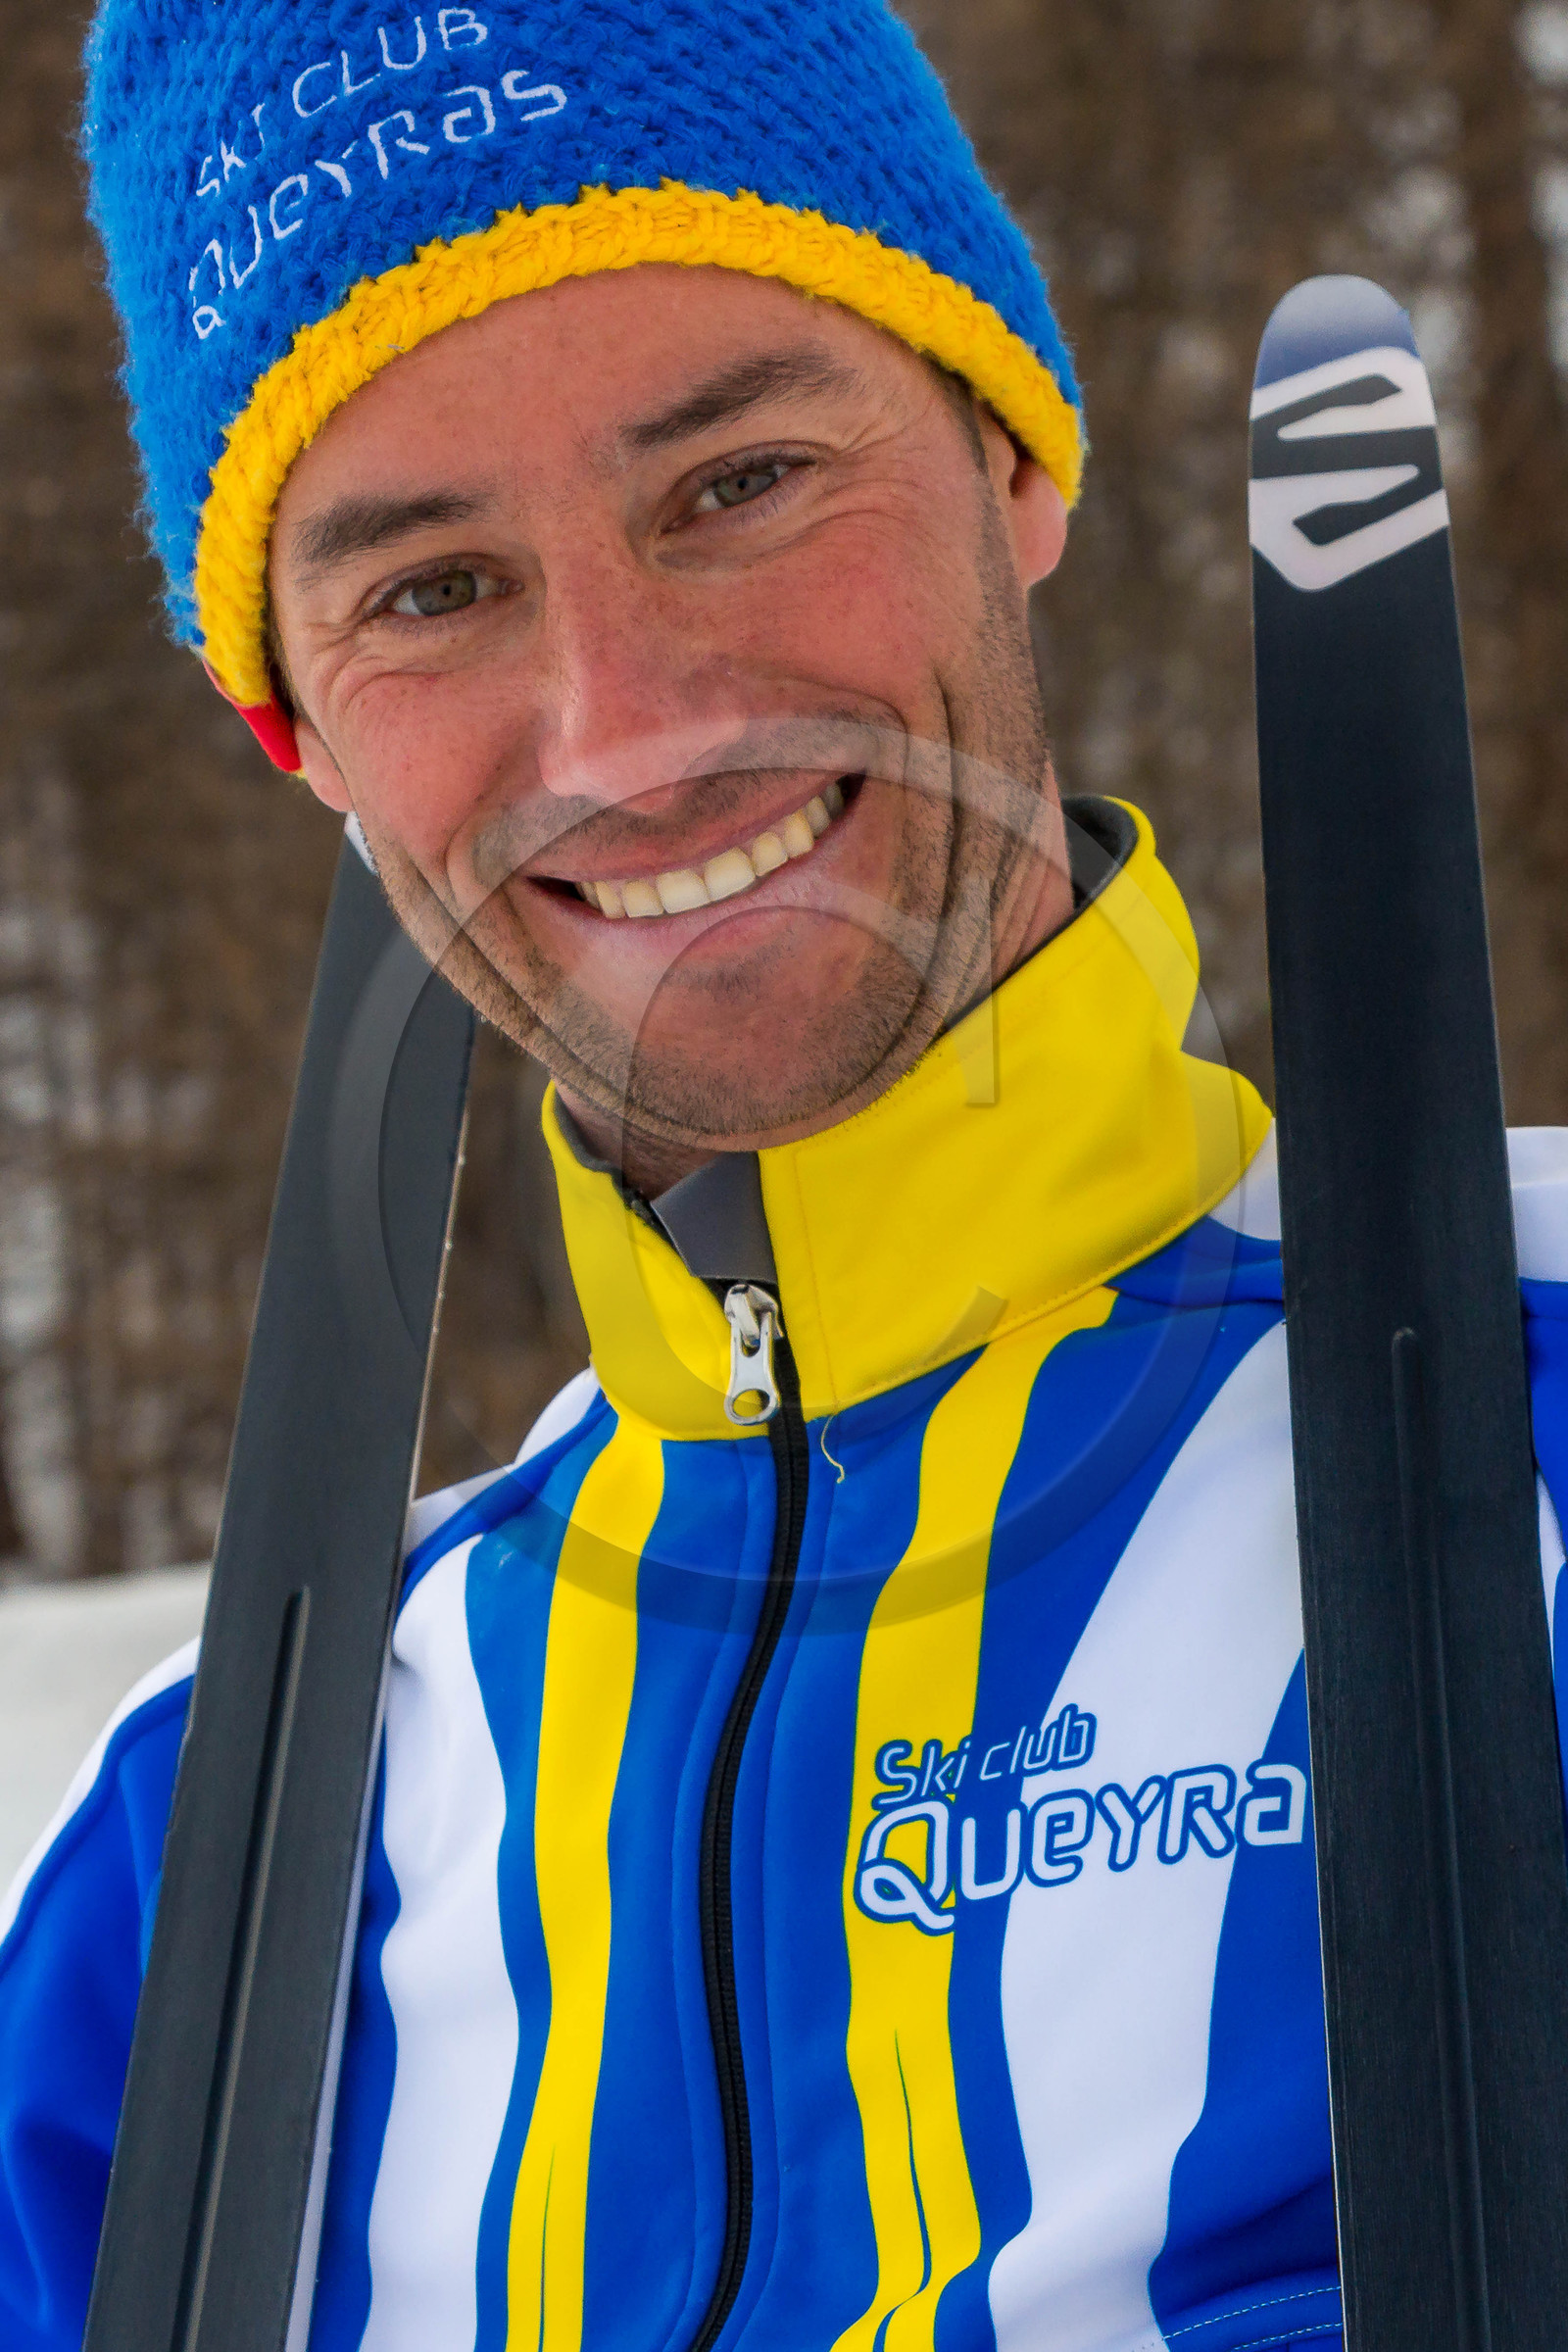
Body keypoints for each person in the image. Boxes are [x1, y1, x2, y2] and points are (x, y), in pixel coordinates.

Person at [3, 0, 1567, 2346]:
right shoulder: (207, 1885)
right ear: (295, 730)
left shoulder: (1532, 1440)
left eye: (734, 481)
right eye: (430, 588)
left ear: (1007, 457)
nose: (631, 727)